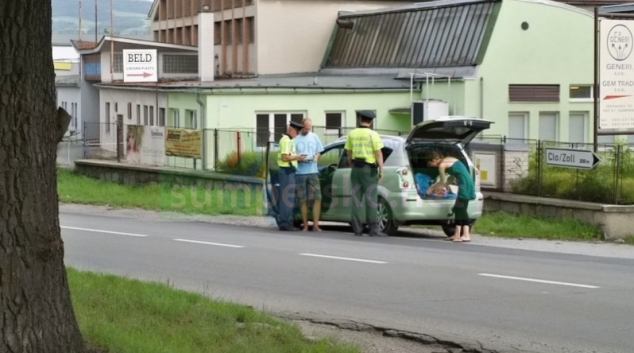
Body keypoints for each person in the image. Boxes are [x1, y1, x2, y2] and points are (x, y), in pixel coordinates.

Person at [343, 110, 388, 237]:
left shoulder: (352, 134)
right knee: (371, 198)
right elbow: (378, 153)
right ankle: (373, 229)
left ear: (360, 120)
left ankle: (357, 229)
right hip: (369, 170)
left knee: (356, 199)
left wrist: (351, 164)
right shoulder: (373, 134)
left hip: (356, 168)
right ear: (371, 121)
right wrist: (381, 170)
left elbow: (348, 152)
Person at [427, 150, 476, 242]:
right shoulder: (448, 160)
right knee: (458, 208)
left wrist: (431, 189)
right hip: (466, 183)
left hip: (464, 185)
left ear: (434, 160)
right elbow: (452, 177)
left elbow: (441, 181)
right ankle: (457, 235)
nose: (430, 166)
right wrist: (445, 186)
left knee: (461, 209)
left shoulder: (442, 165)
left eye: (430, 163)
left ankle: (466, 235)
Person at [293, 118, 325, 232]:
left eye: (309, 128)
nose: (307, 130)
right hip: (300, 173)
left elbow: (319, 151)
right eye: (306, 128)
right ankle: (305, 225)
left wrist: (317, 156)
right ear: (301, 126)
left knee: (318, 197)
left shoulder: (314, 136)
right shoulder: (295, 139)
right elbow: (291, 156)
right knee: (302, 200)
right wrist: (298, 158)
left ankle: (316, 225)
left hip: (313, 171)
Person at [276, 121, 306, 231]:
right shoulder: (286, 140)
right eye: (297, 131)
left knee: (289, 198)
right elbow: (285, 157)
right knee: (286, 198)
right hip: (286, 171)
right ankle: (285, 223)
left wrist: (297, 158)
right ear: (291, 130)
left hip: (289, 171)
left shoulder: (289, 140)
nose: (297, 134)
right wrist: (298, 157)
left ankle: (287, 222)